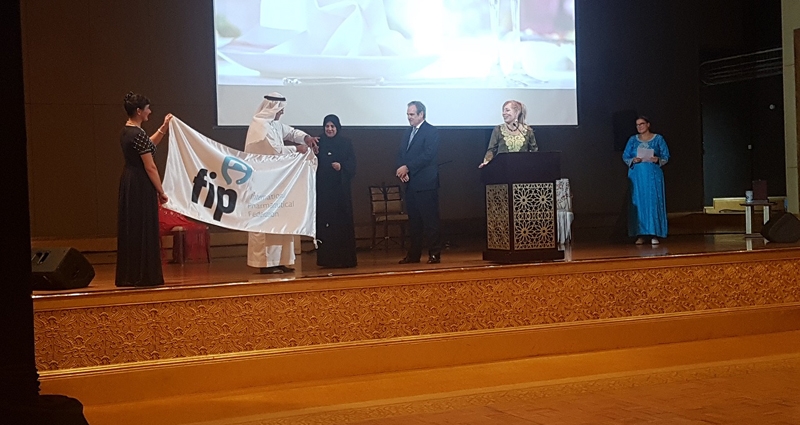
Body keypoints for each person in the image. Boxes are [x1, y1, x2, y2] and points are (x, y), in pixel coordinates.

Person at [244, 93, 319, 274]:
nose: (282, 112)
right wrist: (297, 149)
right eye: (280, 109)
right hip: (262, 184)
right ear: (272, 108)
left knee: (281, 221)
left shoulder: (274, 124)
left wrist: (306, 138)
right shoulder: (259, 127)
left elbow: (290, 132)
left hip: (277, 181)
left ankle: (280, 260)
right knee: (265, 223)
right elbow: (275, 152)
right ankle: (264, 264)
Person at [116, 92, 173, 287]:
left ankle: (131, 274)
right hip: (140, 184)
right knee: (143, 227)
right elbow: (150, 166)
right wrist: (161, 191)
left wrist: (163, 128)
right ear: (139, 111)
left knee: (132, 227)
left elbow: (148, 145)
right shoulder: (137, 134)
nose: (150, 111)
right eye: (147, 108)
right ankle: (144, 275)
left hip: (129, 181)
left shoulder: (127, 130)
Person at [396, 101, 442, 264]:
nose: (409, 118)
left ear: (421, 114)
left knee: (430, 221)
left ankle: (434, 253)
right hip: (411, 183)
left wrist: (408, 167)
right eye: (408, 114)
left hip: (426, 183)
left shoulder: (431, 131)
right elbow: (402, 153)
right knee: (414, 222)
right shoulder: (407, 132)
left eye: (412, 114)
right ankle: (413, 255)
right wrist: (402, 170)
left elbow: (428, 155)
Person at [315, 114, 358, 268]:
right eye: (327, 126)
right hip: (324, 191)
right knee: (325, 225)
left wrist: (342, 167)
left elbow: (352, 164)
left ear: (337, 127)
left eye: (332, 126)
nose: (330, 129)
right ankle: (326, 260)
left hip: (340, 192)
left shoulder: (346, 143)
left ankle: (344, 259)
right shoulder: (318, 143)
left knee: (342, 224)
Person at [622, 116, 670, 245]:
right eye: (637, 125)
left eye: (642, 124)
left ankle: (654, 233)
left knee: (653, 202)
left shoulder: (658, 139)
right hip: (637, 176)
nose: (639, 127)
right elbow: (625, 156)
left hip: (653, 176)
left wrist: (657, 159)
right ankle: (641, 234)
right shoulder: (632, 140)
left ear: (648, 124)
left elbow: (666, 155)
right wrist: (633, 160)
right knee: (639, 202)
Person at [478, 100, 538, 168]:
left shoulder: (527, 130)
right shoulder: (498, 129)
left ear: (516, 112)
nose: (504, 113)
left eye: (507, 110)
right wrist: (486, 162)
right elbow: (491, 150)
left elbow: (534, 150)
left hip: (522, 169)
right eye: (503, 111)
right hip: (502, 169)